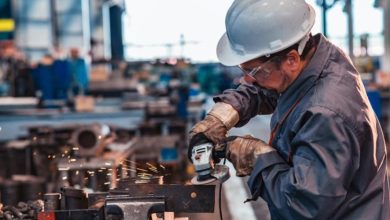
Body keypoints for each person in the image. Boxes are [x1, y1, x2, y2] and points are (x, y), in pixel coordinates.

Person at [188, 0, 390, 219]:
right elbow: (264, 88)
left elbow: (301, 206)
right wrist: (222, 115)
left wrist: (255, 157)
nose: (246, 79)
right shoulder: (314, 60)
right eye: (243, 69)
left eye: (252, 70)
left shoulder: (327, 115)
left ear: (291, 60)